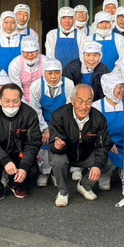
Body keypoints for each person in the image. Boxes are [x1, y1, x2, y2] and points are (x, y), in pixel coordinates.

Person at [49, 84, 115, 206]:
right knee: (58, 160)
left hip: (87, 155)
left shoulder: (99, 118)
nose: (84, 106)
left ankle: (84, 185)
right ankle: (62, 192)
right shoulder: (59, 115)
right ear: (72, 101)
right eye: (80, 101)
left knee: (108, 160)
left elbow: (102, 146)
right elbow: (53, 141)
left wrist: (97, 165)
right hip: (65, 153)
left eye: (88, 102)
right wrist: (58, 145)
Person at [0, 83, 42, 203]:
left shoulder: (30, 114)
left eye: (15, 101)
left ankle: (16, 184)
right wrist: (5, 161)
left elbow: (33, 143)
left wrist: (24, 166)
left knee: (32, 170)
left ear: (21, 100)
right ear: (0, 100)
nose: (11, 105)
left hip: (19, 152)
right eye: (7, 101)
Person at [30, 58, 76, 187]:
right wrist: (44, 129)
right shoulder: (36, 85)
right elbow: (35, 110)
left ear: (61, 73)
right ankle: (44, 172)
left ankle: (56, 173)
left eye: (57, 73)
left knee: (60, 142)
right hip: (42, 120)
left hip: (63, 122)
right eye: (49, 73)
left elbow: (68, 109)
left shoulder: (68, 84)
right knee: (44, 142)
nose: (53, 77)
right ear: (44, 73)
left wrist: (56, 131)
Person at [93, 74, 124, 186]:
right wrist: (108, 143)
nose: (122, 90)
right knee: (106, 157)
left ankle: (123, 171)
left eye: (123, 87)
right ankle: (105, 175)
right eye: (118, 87)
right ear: (109, 88)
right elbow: (94, 131)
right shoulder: (97, 106)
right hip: (105, 144)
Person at [7, 36, 46, 103]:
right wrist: (25, 104)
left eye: (33, 52)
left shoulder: (46, 62)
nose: (30, 55)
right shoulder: (15, 64)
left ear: (38, 51)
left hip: (42, 96)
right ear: (22, 52)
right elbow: (17, 88)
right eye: (27, 52)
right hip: (22, 97)